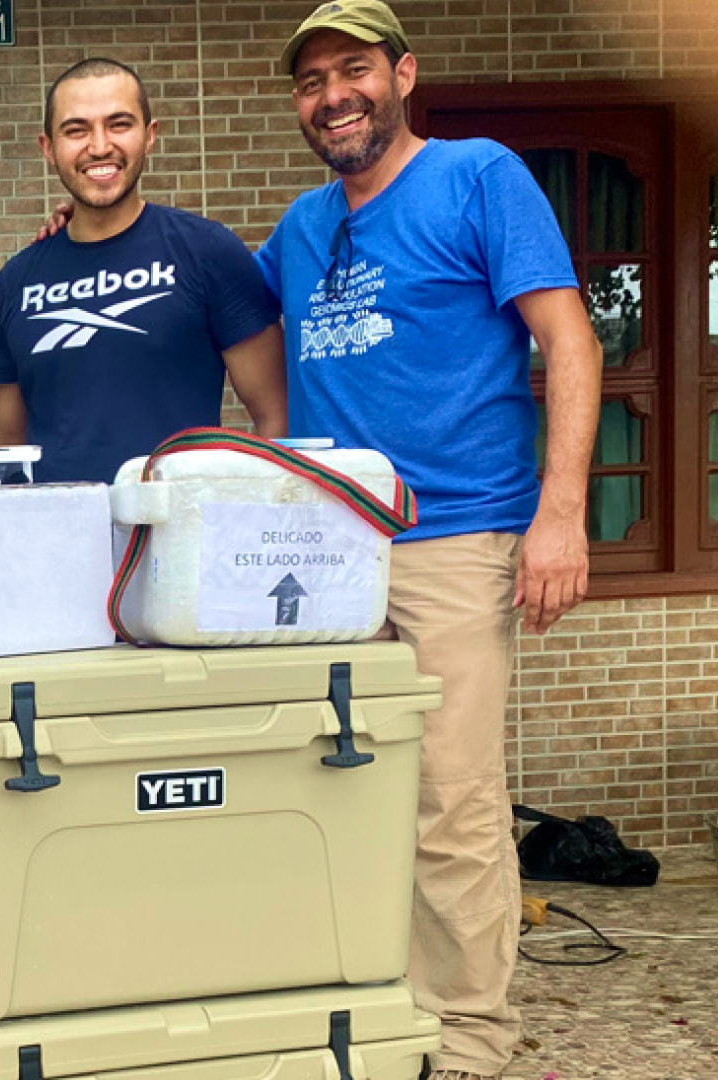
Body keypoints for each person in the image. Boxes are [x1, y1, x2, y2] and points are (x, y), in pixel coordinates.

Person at [258, 5, 601, 1079]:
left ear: (404, 73)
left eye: (353, 70)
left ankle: (467, 1038)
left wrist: (560, 515)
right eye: (312, 82)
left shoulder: (478, 175)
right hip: (322, 552)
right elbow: (218, 307)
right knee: (339, 784)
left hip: (456, 537)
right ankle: (365, 1001)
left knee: (453, 800)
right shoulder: (303, 226)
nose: (333, 96)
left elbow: (570, 340)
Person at [0, 58, 288, 480]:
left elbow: (276, 418)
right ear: (48, 148)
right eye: (76, 130)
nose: (100, 145)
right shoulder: (13, 285)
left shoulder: (209, 253)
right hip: (59, 538)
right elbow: (4, 449)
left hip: (181, 535)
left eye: (119, 124)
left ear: (149, 136)